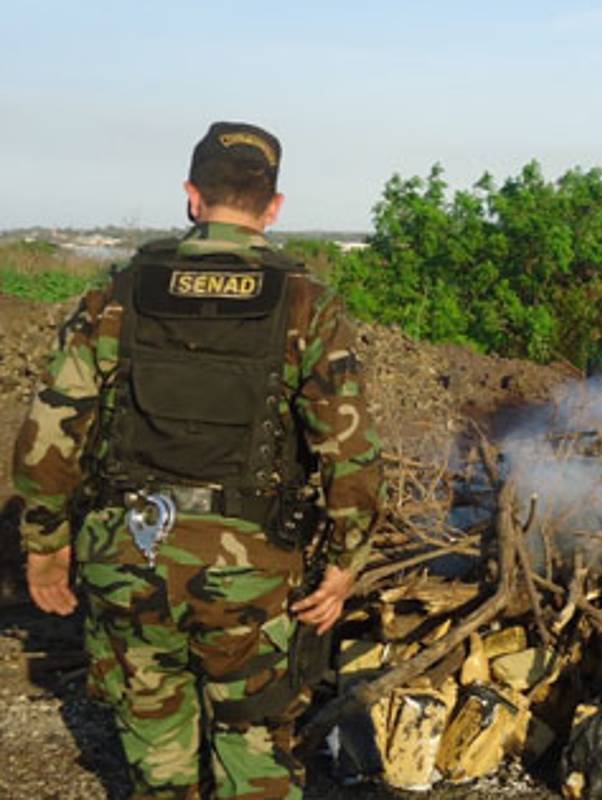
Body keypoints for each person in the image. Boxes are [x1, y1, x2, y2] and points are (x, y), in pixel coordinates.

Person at [14, 121, 383, 799]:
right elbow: (349, 450)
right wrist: (343, 564)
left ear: (191, 196)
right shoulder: (307, 304)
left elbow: (50, 433)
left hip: (127, 557)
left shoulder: (117, 294)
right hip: (249, 576)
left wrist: (45, 546)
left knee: (157, 752)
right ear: (273, 206)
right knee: (254, 744)